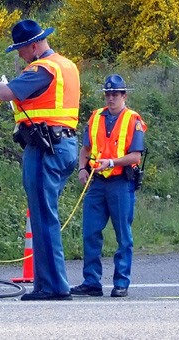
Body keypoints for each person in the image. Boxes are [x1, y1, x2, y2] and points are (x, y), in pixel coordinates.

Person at [0, 19, 80, 301]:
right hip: (65, 145)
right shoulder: (66, 65)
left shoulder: (42, 69)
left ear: (34, 45)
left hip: (46, 149)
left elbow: (2, 93)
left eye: (21, 49)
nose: (20, 55)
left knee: (43, 218)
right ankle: (49, 284)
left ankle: (53, 286)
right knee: (47, 215)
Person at [70, 74, 147, 298]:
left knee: (123, 234)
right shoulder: (95, 117)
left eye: (115, 94)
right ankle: (91, 281)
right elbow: (86, 148)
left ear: (124, 95)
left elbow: (134, 156)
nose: (110, 98)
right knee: (90, 232)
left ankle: (121, 282)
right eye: (108, 94)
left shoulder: (133, 120)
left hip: (121, 182)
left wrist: (112, 162)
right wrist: (82, 168)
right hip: (97, 182)